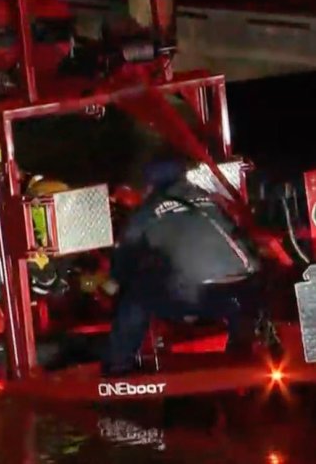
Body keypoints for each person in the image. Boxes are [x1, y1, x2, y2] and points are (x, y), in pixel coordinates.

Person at [102, 158, 280, 376]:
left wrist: (114, 281)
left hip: (197, 296)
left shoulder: (149, 210)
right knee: (237, 292)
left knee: (136, 297)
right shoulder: (207, 199)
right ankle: (240, 351)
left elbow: (126, 256)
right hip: (243, 292)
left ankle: (118, 367)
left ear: (149, 184)